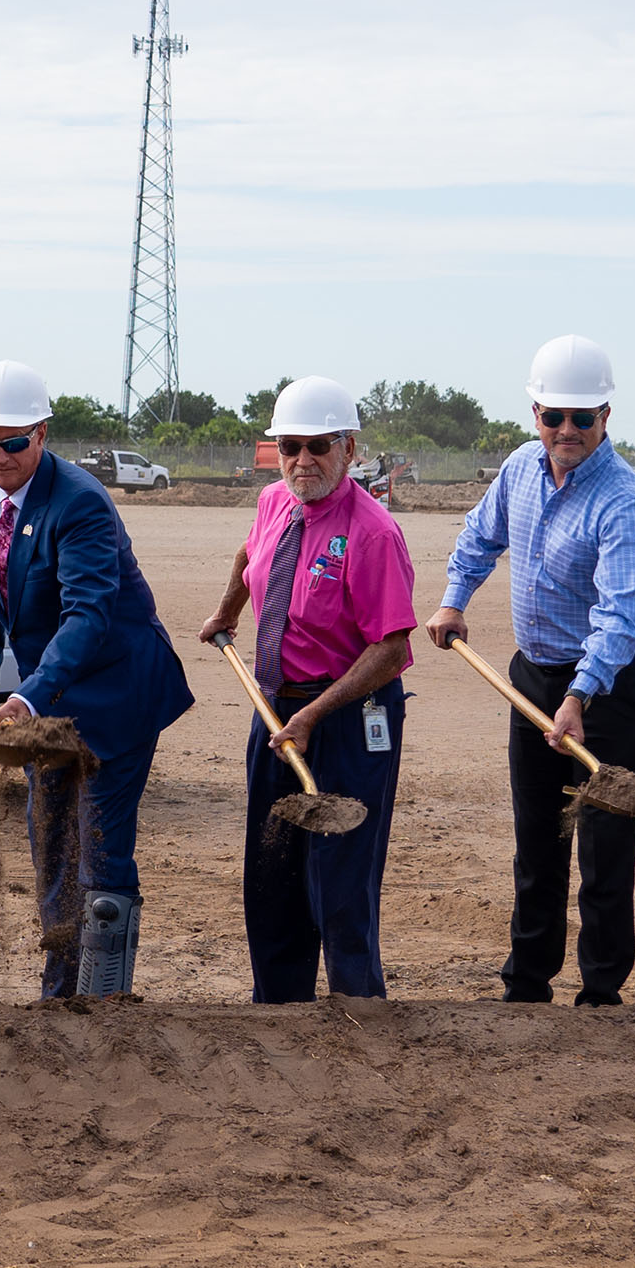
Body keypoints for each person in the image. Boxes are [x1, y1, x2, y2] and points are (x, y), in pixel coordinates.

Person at [429, 337, 635, 1006]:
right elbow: (481, 536)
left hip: (611, 686)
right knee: (537, 837)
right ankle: (527, 983)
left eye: (581, 419)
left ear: (606, 417)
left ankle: (600, 991)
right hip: (533, 675)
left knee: (603, 840)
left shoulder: (624, 502)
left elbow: (621, 617)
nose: (566, 431)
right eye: (552, 417)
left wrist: (580, 697)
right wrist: (455, 598)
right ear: (535, 413)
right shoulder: (519, 470)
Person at [0, 360, 197, 996]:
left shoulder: (82, 501)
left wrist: (28, 695)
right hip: (47, 694)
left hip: (116, 689)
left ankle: (104, 995)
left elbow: (87, 615)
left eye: (13, 443)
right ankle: (60, 991)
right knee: (50, 834)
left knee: (100, 842)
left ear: (41, 432)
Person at [196, 376, 417, 1003]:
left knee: (340, 877)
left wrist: (316, 715)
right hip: (276, 709)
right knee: (271, 871)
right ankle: (280, 1010)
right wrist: (226, 611)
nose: (302, 461)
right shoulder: (274, 503)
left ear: (349, 448)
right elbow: (250, 555)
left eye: (318, 446)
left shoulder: (372, 534)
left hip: (349, 713)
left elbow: (392, 648)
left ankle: (357, 1011)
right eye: (290, 446)